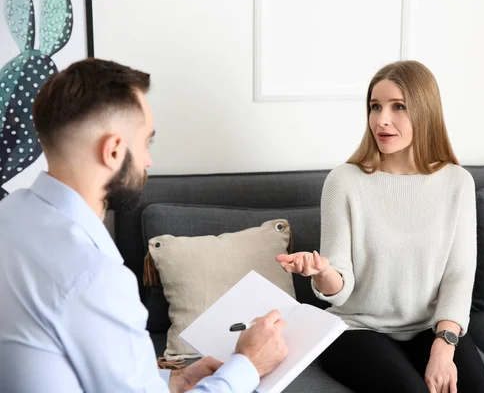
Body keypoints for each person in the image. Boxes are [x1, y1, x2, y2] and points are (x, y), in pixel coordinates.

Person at [0, 58, 288, 393]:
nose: (149, 160)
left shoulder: (11, 215)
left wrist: (173, 379)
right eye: (146, 142)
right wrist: (248, 365)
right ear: (113, 150)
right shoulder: (92, 276)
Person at [276, 60, 484, 393]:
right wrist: (321, 272)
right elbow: (341, 286)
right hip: (354, 331)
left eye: (399, 107)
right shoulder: (344, 182)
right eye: (375, 106)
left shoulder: (457, 183)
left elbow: (459, 275)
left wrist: (444, 345)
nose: (382, 120)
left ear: (425, 112)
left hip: (429, 329)